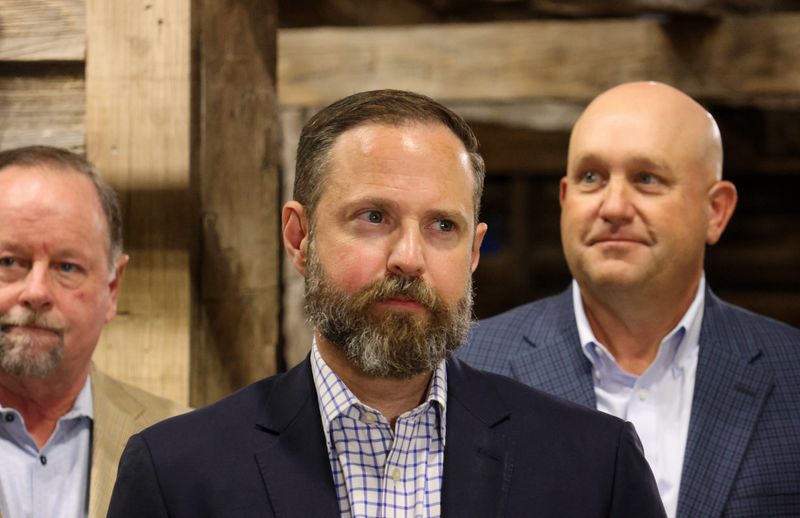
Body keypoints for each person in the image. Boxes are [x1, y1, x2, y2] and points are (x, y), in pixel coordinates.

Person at [107, 89, 665, 517]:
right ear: (299, 237)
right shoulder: (177, 475)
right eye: (374, 217)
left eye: (442, 225)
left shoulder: (594, 465)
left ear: (474, 250)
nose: (408, 257)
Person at [458, 81, 800, 518]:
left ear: (715, 211)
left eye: (647, 179)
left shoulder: (791, 373)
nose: (614, 206)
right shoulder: (466, 369)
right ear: (565, 200)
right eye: (591, 177)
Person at [0, 146, 188, 518]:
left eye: (67, 267)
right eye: (9, 262)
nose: (36, 292)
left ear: (112, 288)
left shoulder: (187, 442)